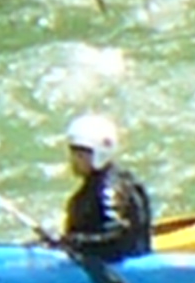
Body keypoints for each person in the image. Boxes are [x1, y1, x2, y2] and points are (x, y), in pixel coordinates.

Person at [58, 112, 153, 262]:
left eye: (81, 155)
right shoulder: (94, 184)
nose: (74, 161)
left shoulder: (111, 189)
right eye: (73, 153)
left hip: (118, 266)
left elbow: (117, 239)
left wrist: (74, 241)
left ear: (99, 155)